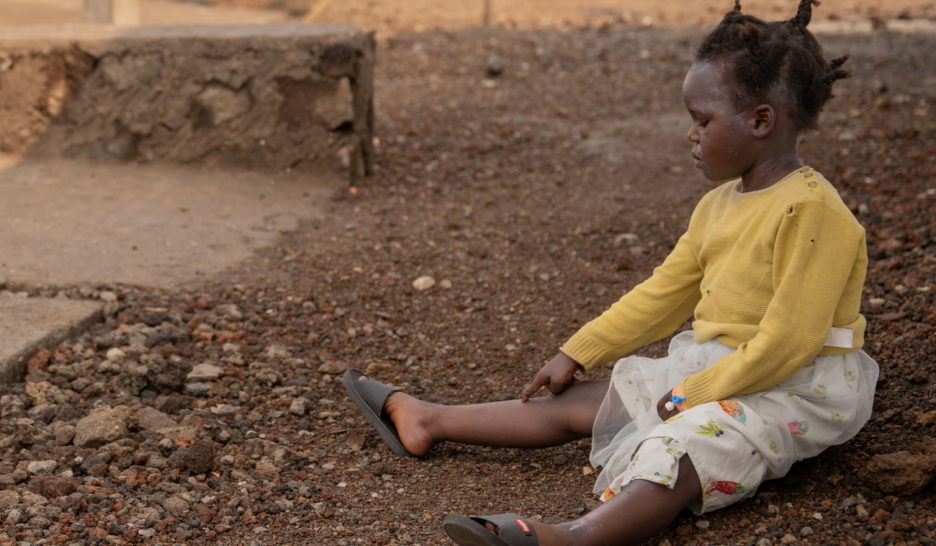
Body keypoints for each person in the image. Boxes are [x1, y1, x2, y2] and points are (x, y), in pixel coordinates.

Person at [343, 1, 879, 544]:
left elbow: (792, 340)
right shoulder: (720, 204)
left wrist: (694, 393)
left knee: (685, 446)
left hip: (795, 388)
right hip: (731, 368)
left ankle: (574, 536)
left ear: (761, 121)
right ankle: (428, 419)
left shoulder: (811, 212)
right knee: (596, 398)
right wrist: (579, 350)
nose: (691, 136)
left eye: (702, 121)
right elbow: (664, 294)